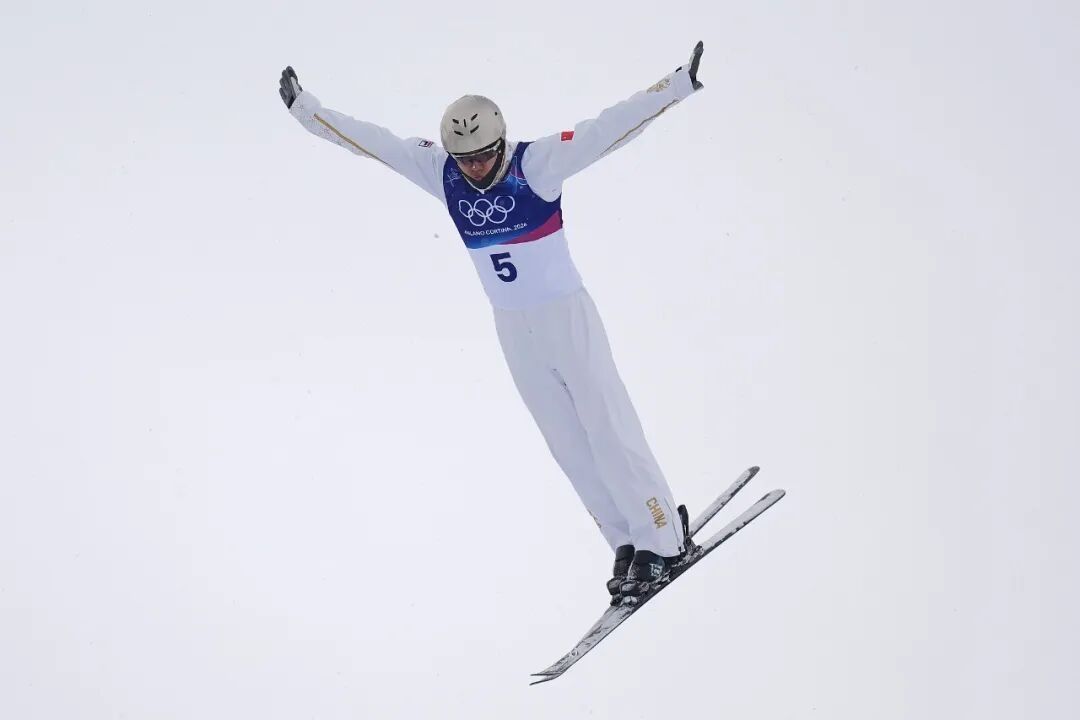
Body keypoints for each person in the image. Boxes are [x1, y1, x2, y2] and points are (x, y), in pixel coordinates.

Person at [279, 41, 706, 601]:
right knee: (567, 442)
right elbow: (373, 142)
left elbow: (610, 129)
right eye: (465, 159)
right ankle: (626, 538)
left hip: (565, 316)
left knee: (607, 426)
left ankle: (663, 537)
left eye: (483, 155)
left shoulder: (539, 163)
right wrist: (306, 110)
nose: (475, 167)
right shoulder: (442, 172)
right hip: (512, 328)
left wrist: (676, 85)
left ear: (501, 141)